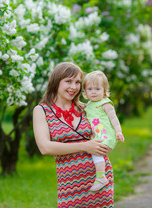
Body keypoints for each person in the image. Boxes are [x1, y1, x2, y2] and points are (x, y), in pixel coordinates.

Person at [33, 62, 114, 207]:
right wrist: (85, 146)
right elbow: (45, 147)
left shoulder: (87, 108)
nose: (74, 87)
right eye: (68, 81)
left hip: (100, 181)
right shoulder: (42, 111)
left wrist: (108, 142)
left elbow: (105, 130)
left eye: (77, 82)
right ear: (56, 82)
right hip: (69, 186)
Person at [83, 70, 125, 191]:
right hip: (98, 135)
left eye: (97, 89)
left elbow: (114, 118)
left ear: (104, 91)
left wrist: (118, 131)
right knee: (94, 152)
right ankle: (99, 175)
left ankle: (101, 177)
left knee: (96, 152)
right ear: (85, 91)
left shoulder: (105, 104)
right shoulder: (88, 105)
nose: (94, 92)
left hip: (107, 136)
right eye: (90, 89)